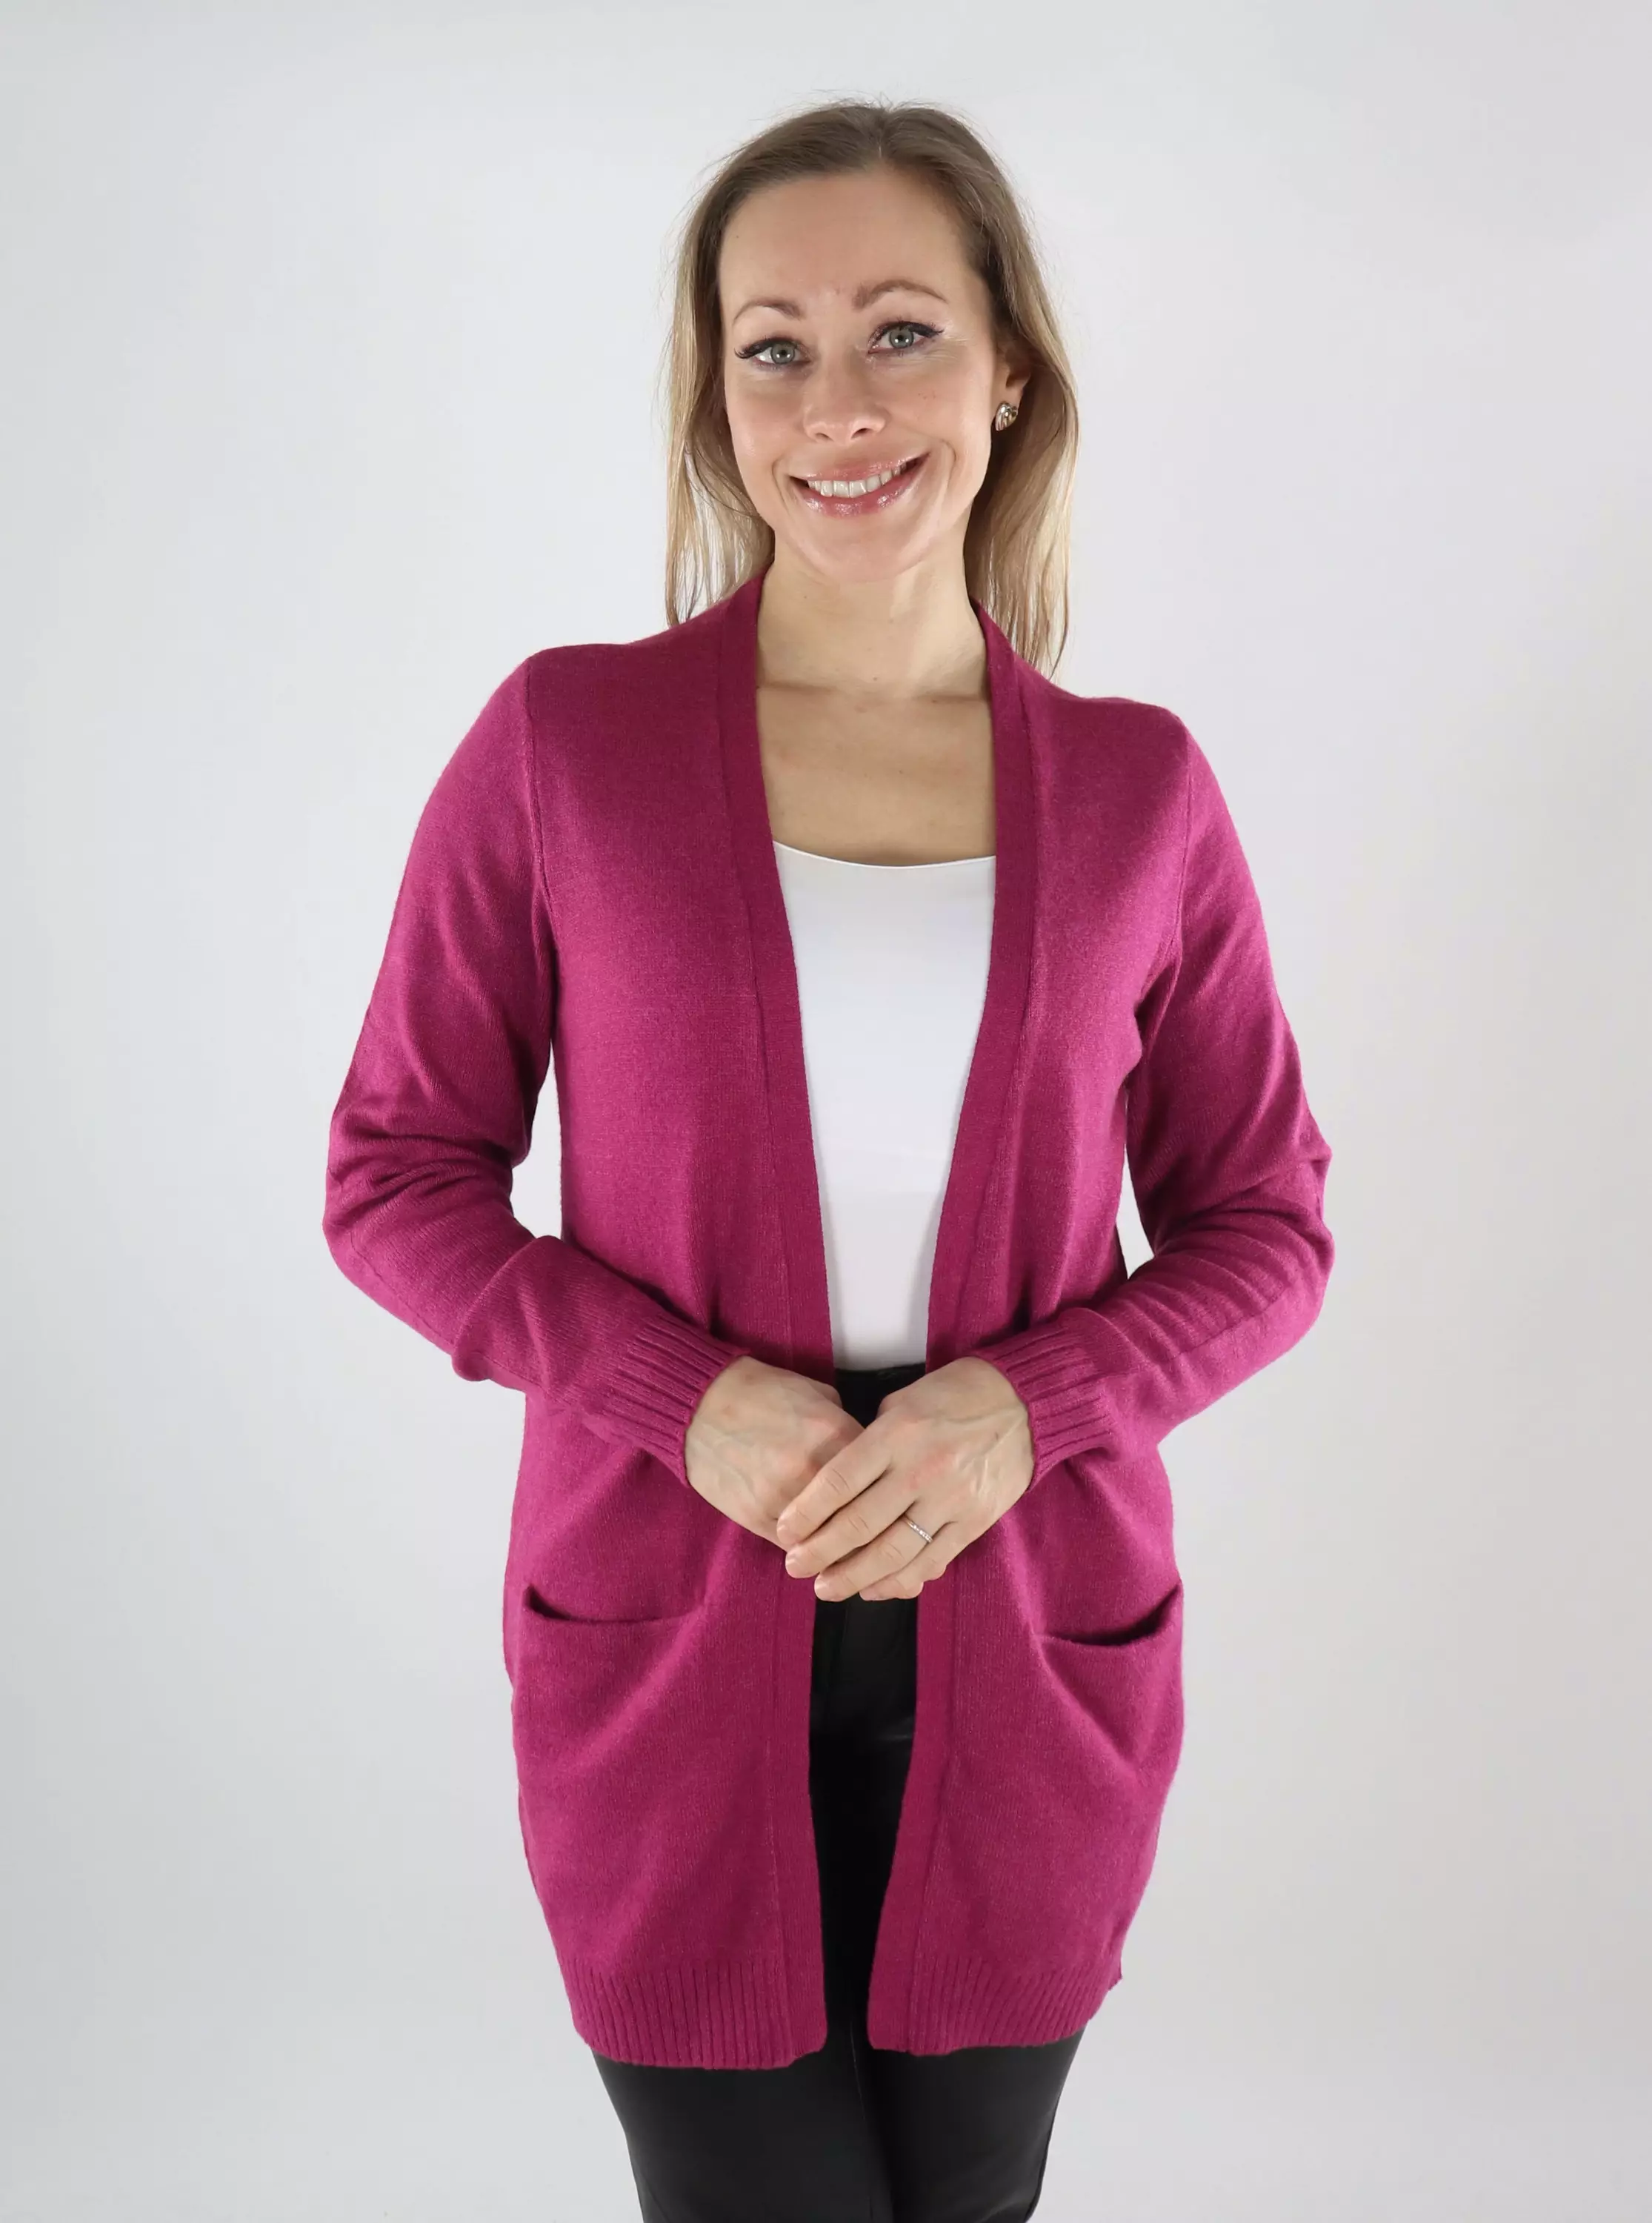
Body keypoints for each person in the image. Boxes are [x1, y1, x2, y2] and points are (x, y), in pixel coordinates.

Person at [323, 97, 1335, 2223]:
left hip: (1038, 1642)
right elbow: (398, 1172)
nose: (837, 404)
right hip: (661, 1634)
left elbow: (1263, 1226)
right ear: (715, 398)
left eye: (901, 331)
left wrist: (1027, 1404)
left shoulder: (1139, 790)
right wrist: (673, 1397)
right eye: (771, 347)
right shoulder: (568, 746)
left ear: (1008, 370)